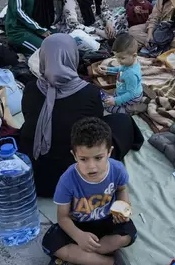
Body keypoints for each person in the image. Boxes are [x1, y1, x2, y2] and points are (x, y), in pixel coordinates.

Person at [19, 34, 144, 197]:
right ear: (73, 57)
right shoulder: (90, 93)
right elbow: (97, 132)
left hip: (39, 177)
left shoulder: (30, 88)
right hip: (79, 176)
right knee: (122, 121)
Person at [41, 117, 137, 265]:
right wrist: (79, 236)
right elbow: (63, 217)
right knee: (50, 242)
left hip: (108, 219)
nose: (92, 167)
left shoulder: (117, 169)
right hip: (78, 223)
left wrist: (123, 205)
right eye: (84, 159)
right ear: (74, 155)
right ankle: (108, 261)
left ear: (109, 152)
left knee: (128, 235)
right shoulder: (67, 180)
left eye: (98, 158)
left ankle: (87, 255)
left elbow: (122, 189)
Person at [100, 34, 143, 114]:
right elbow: (120, 69)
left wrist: (116, 101)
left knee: (108, 107)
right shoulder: (128, 63)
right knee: (109, 99)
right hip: (124, 90)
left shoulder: (131, 74)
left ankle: (129, 110)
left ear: (134, 56)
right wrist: (108, 69)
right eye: (116, 57)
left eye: (122, 58)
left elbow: (131, 94)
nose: (118, 60)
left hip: (132, 98)